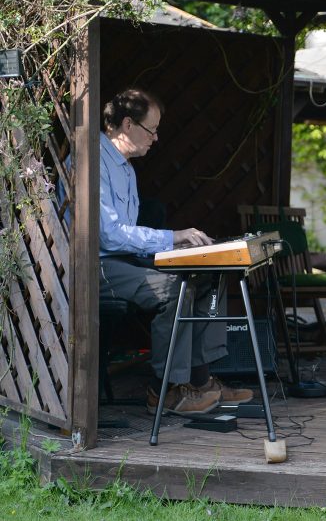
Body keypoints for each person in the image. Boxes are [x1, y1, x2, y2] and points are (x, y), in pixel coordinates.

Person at [66, 88, 253, 415]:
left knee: (207, 276)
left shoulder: (124, 167)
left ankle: (201, 380)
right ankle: (164, 390)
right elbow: (108, 237)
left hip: (121, 261)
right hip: (90, 266)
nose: (156, 138)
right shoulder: (90, 159)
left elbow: (126, 237)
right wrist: (171, 238)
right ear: (127, 124)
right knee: (173, 291)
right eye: (151, 129)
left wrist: (180, 252)